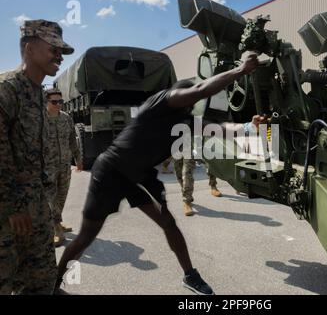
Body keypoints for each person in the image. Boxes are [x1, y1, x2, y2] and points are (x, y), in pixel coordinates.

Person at [55, 52, 260, 295]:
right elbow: (201, 90)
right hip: (111, 171)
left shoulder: (185, 120)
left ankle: (190, 276)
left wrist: (248, 127)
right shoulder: (161, 100)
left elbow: (220, 128)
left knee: (169, 223)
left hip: (139, 176)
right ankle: (53, 284)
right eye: (190, 97)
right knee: (87, 236)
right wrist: (240, 70)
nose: (193, 103)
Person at [0, 20, 74, 294]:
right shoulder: (7, 89)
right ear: (29, 49)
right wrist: (14, 206)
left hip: (37, 207)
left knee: (41, 279)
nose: (60, 56)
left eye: (61, 51)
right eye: (53, 49)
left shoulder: (38, 95)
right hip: (9, 212)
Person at [46, 88, 83, 247]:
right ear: (46, 102)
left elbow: (72, 141)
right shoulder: (41, 119)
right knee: (50, 199)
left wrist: (78, 159)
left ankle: (57, 223)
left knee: (62, 196)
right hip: (47, 167)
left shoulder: (66, 118)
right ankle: (57, 231)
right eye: (54, 102)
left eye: (60, 101)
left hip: (65, 165)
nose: (58, 105)